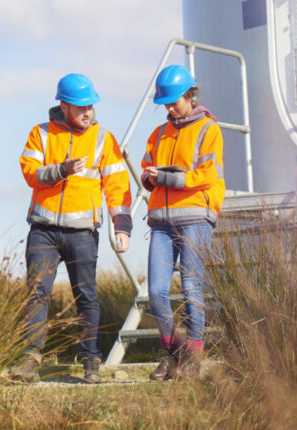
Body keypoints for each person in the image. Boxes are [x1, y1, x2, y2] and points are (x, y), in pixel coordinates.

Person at [12, 73, 132, 383]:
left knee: (86, 296)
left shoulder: (103, 138)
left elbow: (117, 185)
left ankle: (91, 362)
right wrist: (61, 170)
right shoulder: (40, 134)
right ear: (63, 106)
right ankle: (30, 360)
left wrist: (122, 225)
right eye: (80, 107)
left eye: (90, 106)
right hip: (43, 230)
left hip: (82, 233)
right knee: (36, 294)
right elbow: (30, 173)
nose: (87, 112)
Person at [141, 65, 224, 380]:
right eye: (165, 103)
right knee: (156, 292)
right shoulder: (157, 134)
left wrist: (165, 177)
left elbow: (207, 175)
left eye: (174, 101)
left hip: (196, 218)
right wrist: (150, 178)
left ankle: (192, 359)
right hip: (161, 222)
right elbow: (147, 168)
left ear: (190, 95)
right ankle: (172, 355)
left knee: (191, 288)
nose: (170, 108)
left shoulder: (209, 130)